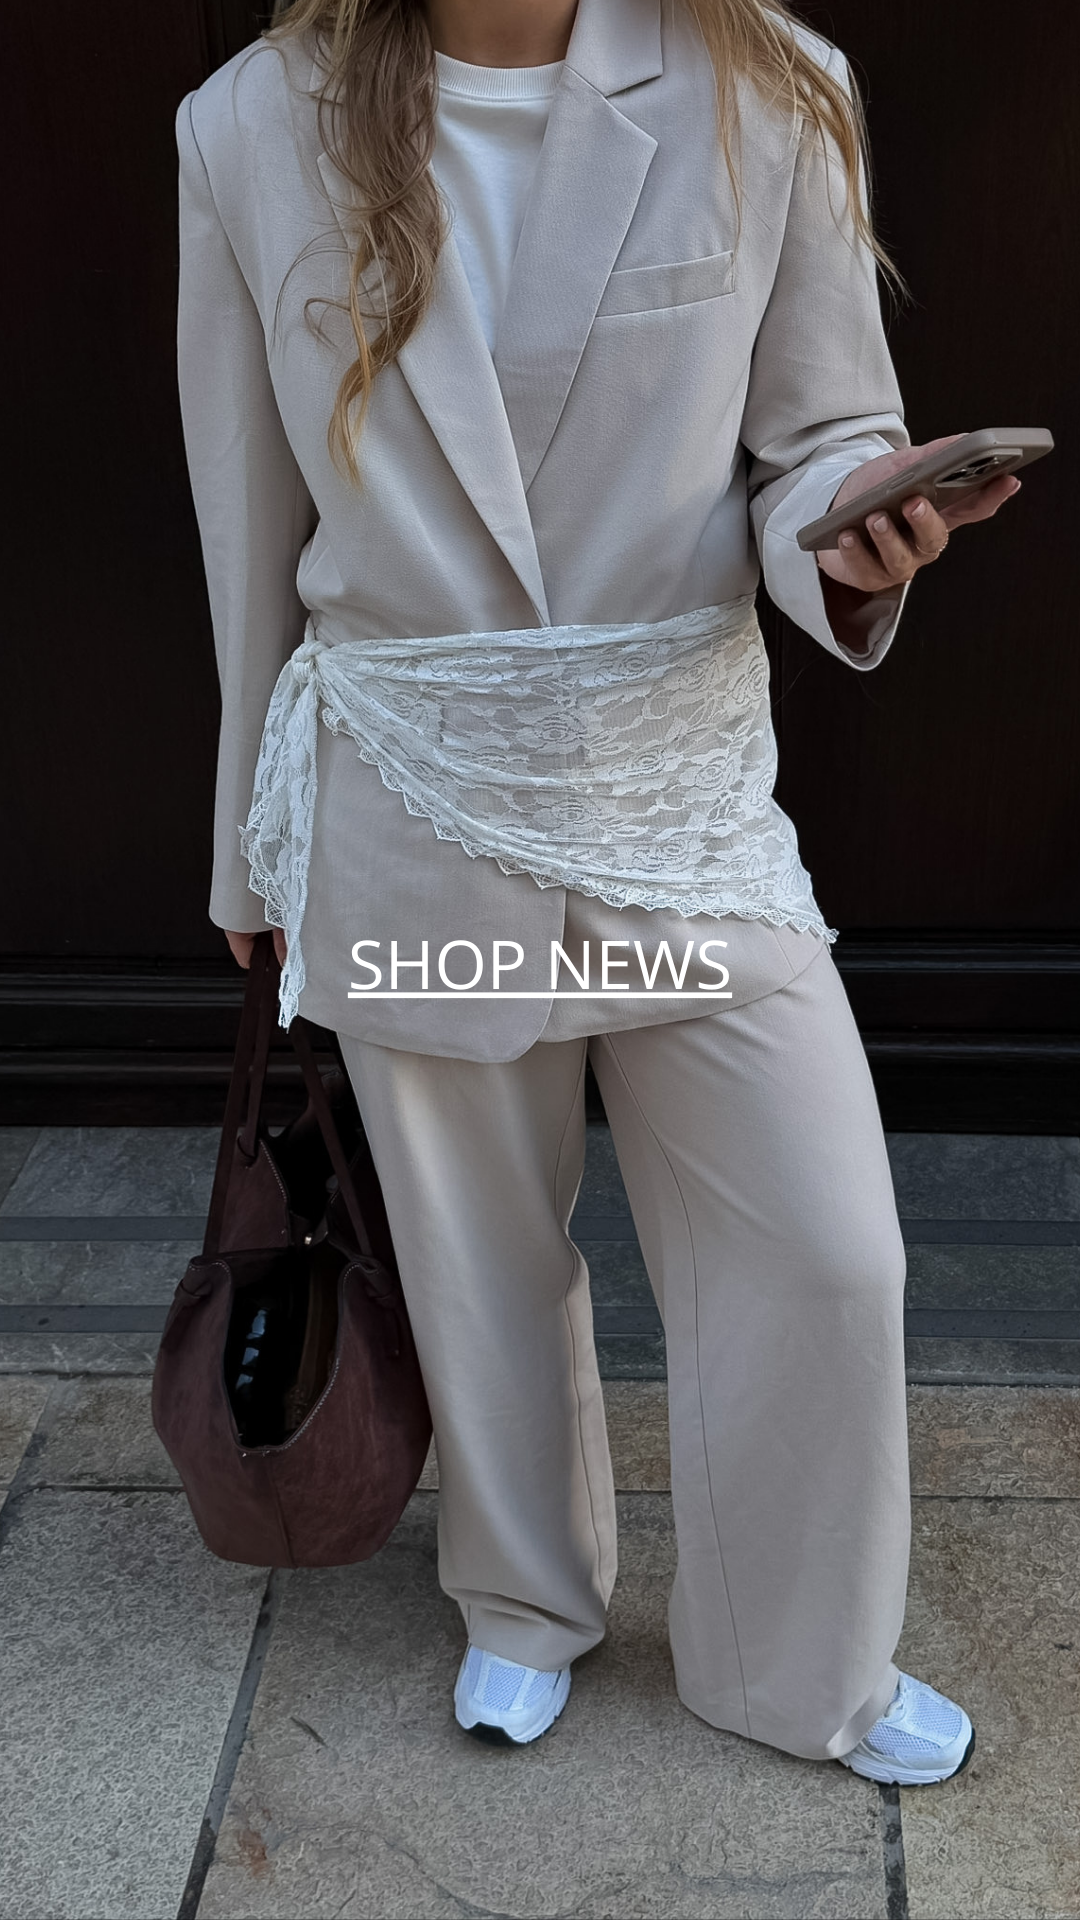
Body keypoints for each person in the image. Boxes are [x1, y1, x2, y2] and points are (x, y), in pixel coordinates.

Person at [176, 0, 1019, 1782]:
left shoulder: (768, 83)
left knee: (829, 1248)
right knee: (477, 1244)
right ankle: (521, 1602)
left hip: (674, 802)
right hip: (411, 787)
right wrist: (253, 833)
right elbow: (245, 517)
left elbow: (822, 436)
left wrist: (857, 532)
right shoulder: (250, 123)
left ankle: (804, 1665)